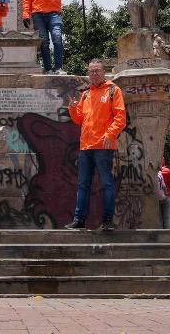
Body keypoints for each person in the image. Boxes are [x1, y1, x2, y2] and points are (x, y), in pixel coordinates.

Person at [64, 58, 126, 231]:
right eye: (91, 71)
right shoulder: (86, 94)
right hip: (86, 147)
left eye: (97, 70)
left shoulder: (114, 90)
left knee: (107, 183)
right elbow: (78, 120)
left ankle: (107, 221)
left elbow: (121, 118)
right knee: (83, 185)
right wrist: (72, 108)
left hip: (104, 146)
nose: (94, 74)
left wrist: (110, 134)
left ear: (103, 72)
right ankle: (79, 221)